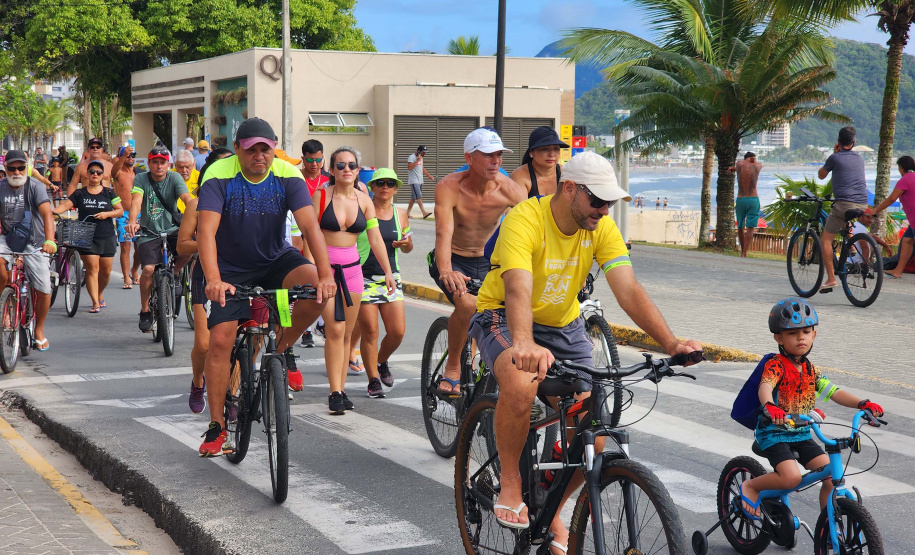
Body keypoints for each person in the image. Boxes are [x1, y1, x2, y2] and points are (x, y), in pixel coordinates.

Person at [470, 152, 701, 546]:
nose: (604, 209)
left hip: (564, 323)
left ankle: (553, 507)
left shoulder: (601, 227)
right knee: (522, 382)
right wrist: (524, 344)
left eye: (609, 201)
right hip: (504, 316)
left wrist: (671, 343)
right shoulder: (526, 219)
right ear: (570, 189)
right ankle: (511, 481)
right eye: (597, 200)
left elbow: (627, 288)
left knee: (593, 424)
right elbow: (518, 288)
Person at [197, 118, 336, 454]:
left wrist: (325, 273)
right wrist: (213, 279)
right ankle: (216, 426)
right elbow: (206, 233)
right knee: (219, 340)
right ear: (238, 150)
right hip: (229, 267)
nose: (259, 155)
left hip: (275, 259)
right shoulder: (219, 175)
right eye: (252, 149)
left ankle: (280, 347)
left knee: (317, 294)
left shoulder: (288, 174)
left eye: (266, 149)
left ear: (274, 148)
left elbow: (310, 227)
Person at [739, 298, 884, 518]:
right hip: (774, 433)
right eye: (792, 333)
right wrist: (770, 406)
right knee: (791, 478)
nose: (800, 337)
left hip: (801, 433)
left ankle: (828, 526)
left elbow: (833, 392)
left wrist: (861, 403)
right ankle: (751, 487)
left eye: (806, 331)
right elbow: (765, 387)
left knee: (831, 475)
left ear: (814, 335)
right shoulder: (776, 365)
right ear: (778, 337)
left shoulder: (810, 369)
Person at [430, 128, 527, 394]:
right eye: (487, 155)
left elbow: (533, 230)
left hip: (486, 263)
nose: (495, 160)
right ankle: (452, 367)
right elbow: (443, 232)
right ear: (469, 158)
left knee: (509, 310)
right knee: (467, 303)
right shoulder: (449, 186)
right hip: (452, 258)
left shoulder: (510, 191)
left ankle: (485, 364)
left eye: (498, 154)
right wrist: (446, 270)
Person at [315, 146, 396, 414]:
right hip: (326, 271)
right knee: (335, 330)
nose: (346, 169)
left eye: (351, 165)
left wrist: (387, 271)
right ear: (332, 169)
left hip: (352, 271)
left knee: (348, 334)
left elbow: (375, 239)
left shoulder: (364, 201)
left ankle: (341, 388)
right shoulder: (321, 195)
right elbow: (308, 236)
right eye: (340, 165)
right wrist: (312, 269)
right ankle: (334, 392)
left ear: (358, 170)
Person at [354, 168, 412, 398]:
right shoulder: (362, 211)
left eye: (390, 183)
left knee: (397, 332)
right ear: (373, 188)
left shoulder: (401, 215)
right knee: (370, 331)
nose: (385, 187)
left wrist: (405, 245)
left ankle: (382, 361)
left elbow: (409, 246)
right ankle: (373, 380)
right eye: (380, 184)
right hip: (363, 276)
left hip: (391, 277)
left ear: (396, 189)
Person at [124, 145, 192, 332]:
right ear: (149, 163)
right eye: (155, 162)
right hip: (148, 232)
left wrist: (196, 216)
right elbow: (136, 200)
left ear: (168, 164)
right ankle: (145, 310)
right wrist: (132, 221)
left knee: (190, 248)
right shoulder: (141, 178)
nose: (159, 166)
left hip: (172, 229)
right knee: (147, 269)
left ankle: (176, 273)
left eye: (162, 162)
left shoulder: (175, 177)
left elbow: (186, 197)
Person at [0, 150, 56, 351]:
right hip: (7, 239)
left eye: (21, 167)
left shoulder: (36, 187)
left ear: (27, 168)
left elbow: (47, 214)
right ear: (5, 169)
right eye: (12, 168)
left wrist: (50, 240)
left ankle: (39, 330)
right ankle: (3, 309)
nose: (17, 172)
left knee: (43, 288)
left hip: (35, 242)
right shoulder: (0, 187)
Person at [52, 160, 123, 312]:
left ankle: (99, 292)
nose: (95, 174)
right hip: (86, 235)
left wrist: (106, 214)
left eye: (98, 172)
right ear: (87, 174)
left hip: (107, 235)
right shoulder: (80, 193)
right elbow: (65, 206)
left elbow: (120, 211)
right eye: (92, 172)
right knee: (92, 269)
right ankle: (95, 302)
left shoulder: (109, 192)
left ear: (103, 175)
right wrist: (50, 214)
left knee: (106, 272)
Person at [818, 127, 869, 291]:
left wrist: (834, 153)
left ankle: (831, 278)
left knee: (825, 239)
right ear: (853, 143)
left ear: (838, 142)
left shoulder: (835, 157)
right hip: (862, 203)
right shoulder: (860, 159)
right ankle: (851, 245)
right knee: (844, 216)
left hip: (844, 203)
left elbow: (821, 175)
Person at [872, 155, 915, 279]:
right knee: (907, 240)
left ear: (901, 167)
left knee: (908, 240)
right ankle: (898, 270)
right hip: (912, 221)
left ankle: (898, 270)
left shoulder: (905, 179)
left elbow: (892, 198)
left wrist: (876, 210)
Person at [111, 146, 142, 288]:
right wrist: (123, 155)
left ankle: (134, 271)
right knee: (126, 246)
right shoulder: (118, 172)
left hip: (139, 214)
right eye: (127, 156)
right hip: (123, 214)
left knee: (140, 246)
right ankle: (126, 278)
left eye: (132, 155)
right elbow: (112, 172)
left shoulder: (138, 173)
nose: (130, 158)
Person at [509, 126, 568, 198]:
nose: (552, 154)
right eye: (545, 149)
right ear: (531, 152)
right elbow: (520, 207)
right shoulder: (520, 175)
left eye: (556, 149)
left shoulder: (566, 173)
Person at [729, 151, 762, 257]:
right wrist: (753, 161)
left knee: (740, 226)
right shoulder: (757, 166)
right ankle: (744, 253)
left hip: (741, 199)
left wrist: (733, 169)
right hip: (753, 199)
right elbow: (756, 165)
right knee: (750, 227)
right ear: (752, 158)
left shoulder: (739, 165)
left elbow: (741, 166)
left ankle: (742, 251)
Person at [406, 146, 434, 219]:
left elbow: (422, 168)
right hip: (414, 180)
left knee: (413, 197)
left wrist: (429, 175)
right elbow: (409, 167)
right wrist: (417, 161)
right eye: (423, 152)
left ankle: (407, 213)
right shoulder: (411, 157)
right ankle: (424, 212)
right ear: (419, 151)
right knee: (419, 196)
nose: (424, 153)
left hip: (420, 180)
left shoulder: (421, 158)